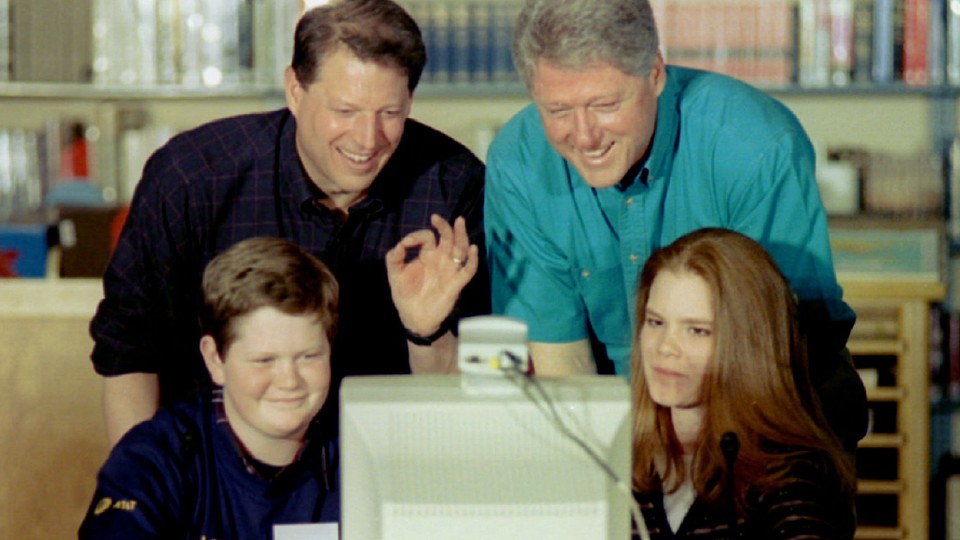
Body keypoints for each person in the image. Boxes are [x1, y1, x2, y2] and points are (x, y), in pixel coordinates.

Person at [90, 0, 488, 446]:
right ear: (294, 92)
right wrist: (143, 494)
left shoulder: (454, 187)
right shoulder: (191, 179)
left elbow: (471, 393)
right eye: (346, 110)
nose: (367, 139)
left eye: (390, 114)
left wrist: (426, 332)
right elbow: (130, 355)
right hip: (213, 471)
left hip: (389, 457)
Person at [483, 0, 866, 451]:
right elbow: (561, 365)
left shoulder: (754, 148)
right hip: (617, 414)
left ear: (655, 74)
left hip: (770, 403)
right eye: (558, 111)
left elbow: (770, 359)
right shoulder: (519, 162)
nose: (584, 136)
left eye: (605, 104)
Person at [80, 237, 342, 538]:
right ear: (215, 359)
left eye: (309, 357)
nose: (289, 380)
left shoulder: (361, 450)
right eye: (264, 360)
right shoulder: (153, 461)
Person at [630, 228, 856, 539]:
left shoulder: (788, 476)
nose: (665, 347)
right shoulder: (617, 459)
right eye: (656, 322)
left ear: (747, 345)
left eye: (697, 330)